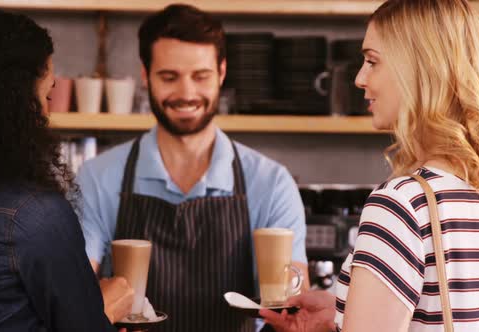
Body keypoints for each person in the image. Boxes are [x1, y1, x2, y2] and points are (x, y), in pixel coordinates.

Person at [261, 0, 479, 331]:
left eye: (372, 61)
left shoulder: (402, 204)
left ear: (420, 70)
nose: (359, 78)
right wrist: (340, 313)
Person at [76, 3, 309, 332]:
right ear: (145, 75)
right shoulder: (97, 178)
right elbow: (75, 297)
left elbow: (292, 300)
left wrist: (293, 314)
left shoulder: (271, 183)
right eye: (169, 77)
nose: (186, 93)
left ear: (222, 72)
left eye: (200, 76)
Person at [0, 8, 134, 331]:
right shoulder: (35, 217)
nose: (49, 117)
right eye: (48, 94)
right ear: (17, 104)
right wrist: (105, 308)